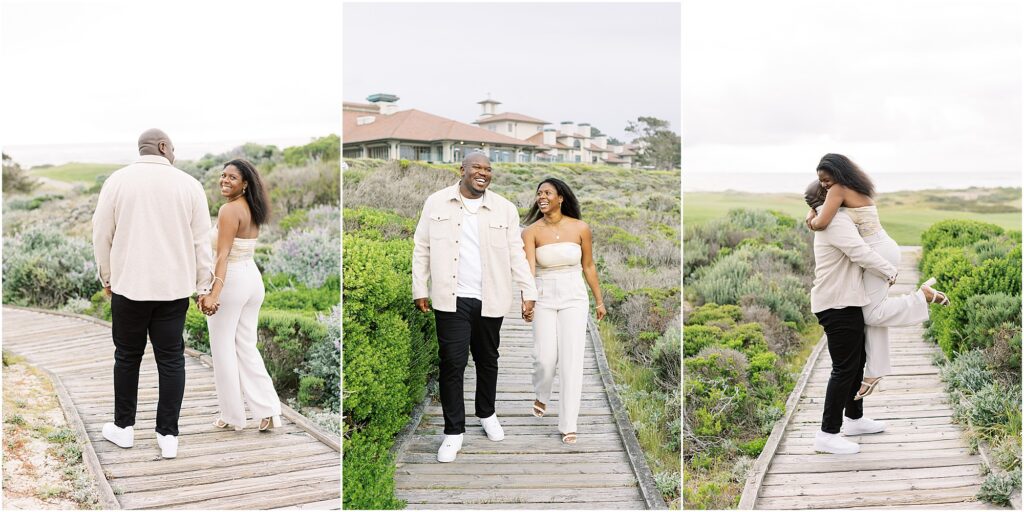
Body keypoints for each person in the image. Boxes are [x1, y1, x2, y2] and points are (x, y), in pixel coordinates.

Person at [92, 129, 214, 459]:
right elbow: (202, 242)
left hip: (129, 286)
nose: (174, 152)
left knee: (126, 357)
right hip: (173, 290)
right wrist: (203, 286)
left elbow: (102, 234)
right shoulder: (190, 185)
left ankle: (123, 428)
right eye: (172, 147)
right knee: (172, 359)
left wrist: (107, 277)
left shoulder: (117, 181)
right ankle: (168, 435)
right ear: (162, 147)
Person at [412, 152, 538, 463]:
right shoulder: (436, 202)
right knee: (452, 363)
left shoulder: (504, 209)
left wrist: (528, 290)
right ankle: (453, 432)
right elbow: (422, 247)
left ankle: (487, 413)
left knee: (487, 359)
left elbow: (516, 252)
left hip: (491, 297)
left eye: (488, 169)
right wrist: (420, 288)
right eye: (477, 168)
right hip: (450, 297)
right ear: (463, 170)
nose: (483, 173)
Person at [806, 154, 949, 400]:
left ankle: (922, 297)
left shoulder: (838, 189)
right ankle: (875, 372)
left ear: (838, 174)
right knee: (870, 311)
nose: (824, 184)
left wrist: (810, 217)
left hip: (876, 253)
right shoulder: (852, 187)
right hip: (879, 247)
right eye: (821, 181)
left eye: (826, 179)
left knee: (872, 314)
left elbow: (821, 223)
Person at [197, 159, 282, 432]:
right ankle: (268, 410)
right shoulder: (252, 207)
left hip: (232, 280)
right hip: (252, 278)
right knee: (246, 346)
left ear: (245, 183)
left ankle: (232, 415)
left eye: (232, 177)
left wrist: (213, 293)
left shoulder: (229, 210)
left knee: (223, 349)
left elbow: (222, 255)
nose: (224, 180)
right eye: (223, 175)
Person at [521, 178, 606, 444]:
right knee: (544, 357)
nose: (542, 197)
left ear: (561, 198)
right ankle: (541, 394)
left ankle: (569, 424)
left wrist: (599, 301)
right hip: (544, 296)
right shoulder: (531, 232)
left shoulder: (580, 228)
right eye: (539, 193)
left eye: (547, 192)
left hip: (574, 297)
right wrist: (527, 300)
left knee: (572, 359)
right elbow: (529, 270)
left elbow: (588, 266)